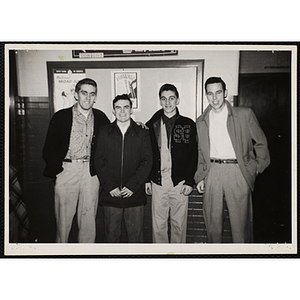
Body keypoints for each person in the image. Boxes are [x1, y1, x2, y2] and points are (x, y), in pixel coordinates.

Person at [194, 77, 270, 243]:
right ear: (206, 96)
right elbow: (201, 150)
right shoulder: (201, 121)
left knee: (241, 226)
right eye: (210, 94)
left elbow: (261, 142)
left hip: (237, 171)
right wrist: (200, 175)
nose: (214, 98)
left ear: (225, 93)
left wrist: (256, 167)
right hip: (212, 172)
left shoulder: (244, 114)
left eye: (218, 92)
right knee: (213, 225)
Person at [43, 78, 110, 243]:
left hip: (91, 173)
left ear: (96, 97)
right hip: (68, 170)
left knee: (88, 221)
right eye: (84, 93)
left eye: (92, 94)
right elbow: (48, 149)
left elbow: (113, 136)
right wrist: (60, 171)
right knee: (63, 221)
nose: (88, 98)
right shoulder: (61, 117)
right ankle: (60, 255)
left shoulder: (101, 118)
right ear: (76, 95)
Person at [94, 94, 152, 243]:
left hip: (134, 195)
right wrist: (110, 186)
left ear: (131, 110)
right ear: (113, 111)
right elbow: (99, 160)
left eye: (126, 107)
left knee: (136, 237)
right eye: (118, 108)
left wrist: (132, 186)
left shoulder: (142, 133)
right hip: (110, 195)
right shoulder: (104, 132)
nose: (122, 111)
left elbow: (147, 161)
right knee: (111, 236)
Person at [145, 84, 198, 243]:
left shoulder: (188, 124)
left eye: (171, 98)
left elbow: (193, 154)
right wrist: (148, 179)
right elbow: (147, 155)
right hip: (158, 182)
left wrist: (190, 181)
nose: (168, 102)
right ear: (160, 101)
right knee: (158, 225)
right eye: (164, 98)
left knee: (179, 224)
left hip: (179, 182)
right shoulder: (151, 125)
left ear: (178, 100)